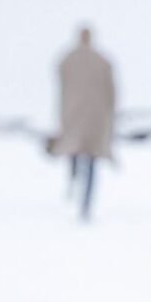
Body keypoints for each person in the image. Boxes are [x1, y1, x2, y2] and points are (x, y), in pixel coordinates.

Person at [55, 26, 116, 221]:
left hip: (72, 115)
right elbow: (112, 92)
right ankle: (85, 203)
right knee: (91, 158)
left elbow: (60, 81)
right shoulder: (102, 61)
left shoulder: (67, 59)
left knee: (74, 149)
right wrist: (110, 114)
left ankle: (73, 184)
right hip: (96, 118)